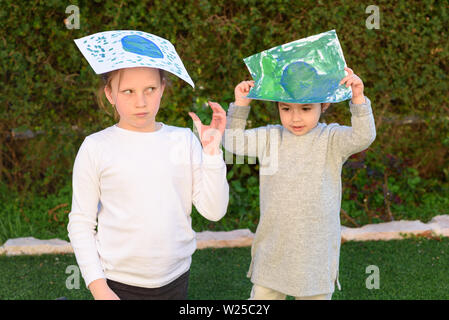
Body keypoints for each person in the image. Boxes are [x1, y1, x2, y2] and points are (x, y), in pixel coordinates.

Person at [68, 65, 229, 300]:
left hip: (176, 278)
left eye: (150, 89)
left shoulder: (183, 140)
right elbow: (81, 223)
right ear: (110, 94)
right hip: (118, 283)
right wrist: (99, 289)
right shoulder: (96, 147)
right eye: (128, 91)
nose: (141, 102)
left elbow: (214, 212)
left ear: (162, 89)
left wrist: (213, 153)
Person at [223, 67, 376, 300]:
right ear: (277, 107)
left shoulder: (331, 139)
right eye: (286, 109)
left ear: (323, 106)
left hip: (316, 253)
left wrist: (357, 98)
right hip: (274, 248)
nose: (295, 118)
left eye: (306, 108)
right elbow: (233, 143)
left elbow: (363, 137)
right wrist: (241, 105)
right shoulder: (270, 138)